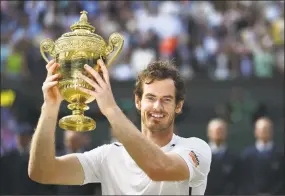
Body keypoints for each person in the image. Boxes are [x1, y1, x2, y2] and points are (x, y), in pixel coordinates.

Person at [28, 59, 212, 195]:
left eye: (166, 100)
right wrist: (49, 108)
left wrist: (110, 109)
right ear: (138, 101)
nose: (157, 107)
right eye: (150, 98)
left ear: (178, 106)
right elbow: (42, 172)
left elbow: (158, 168)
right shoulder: (108, 155)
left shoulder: (196, 148)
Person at [237, 117, 284, 195]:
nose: (264, 132)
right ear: (256, 132)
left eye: (267, 129)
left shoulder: (281, 154)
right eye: (261, 129)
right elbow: (243, 178)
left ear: (272, 131)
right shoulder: (247, 154)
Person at [205, 118, 238, 195]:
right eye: (216, 130)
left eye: (221, 131)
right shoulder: (200, 157)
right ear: (209, 133)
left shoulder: (234, 158)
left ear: (226, 133)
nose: (218, 133)